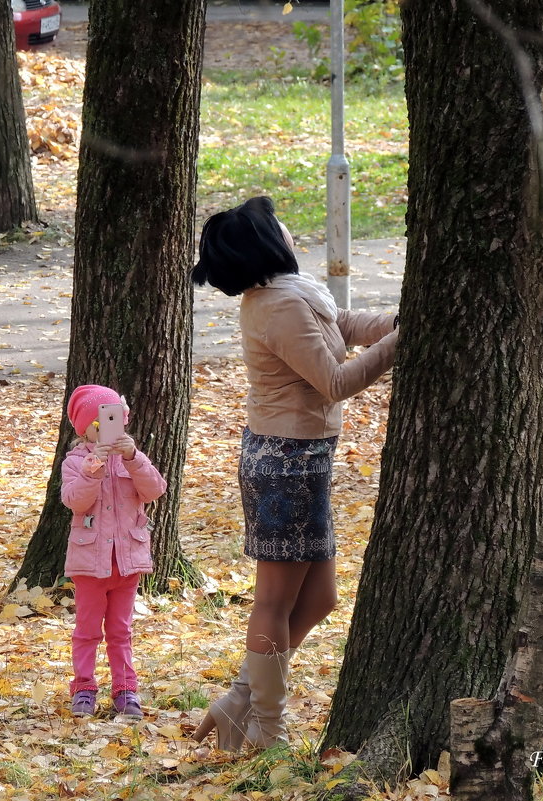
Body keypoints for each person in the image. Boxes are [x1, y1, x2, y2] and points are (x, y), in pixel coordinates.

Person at [190, 196, 399, 750]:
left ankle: (240, 699)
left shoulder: (293, 293)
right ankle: (265, 730)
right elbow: (334, 380)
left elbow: (344, 325)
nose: (286, 226)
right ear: (265, 241)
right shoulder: (277, 305)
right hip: (286, 461)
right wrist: (404, 343)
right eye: (277, 223)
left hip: (302, 458)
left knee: (319, 597)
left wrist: (402, 321)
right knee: (274, 601)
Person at [61, 384, 167, 719]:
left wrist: (133, 458)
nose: (111, 428)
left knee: (121, 630)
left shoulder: (132, 457)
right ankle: (84, 689)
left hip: (127, 560)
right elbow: (75, 501)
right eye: (103, 423)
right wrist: (93, 470)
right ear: (87, 428)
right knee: (87, 629)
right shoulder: (76, 461)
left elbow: (154, 491)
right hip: (89, 562)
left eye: (117, 420)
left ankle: (126, 690)